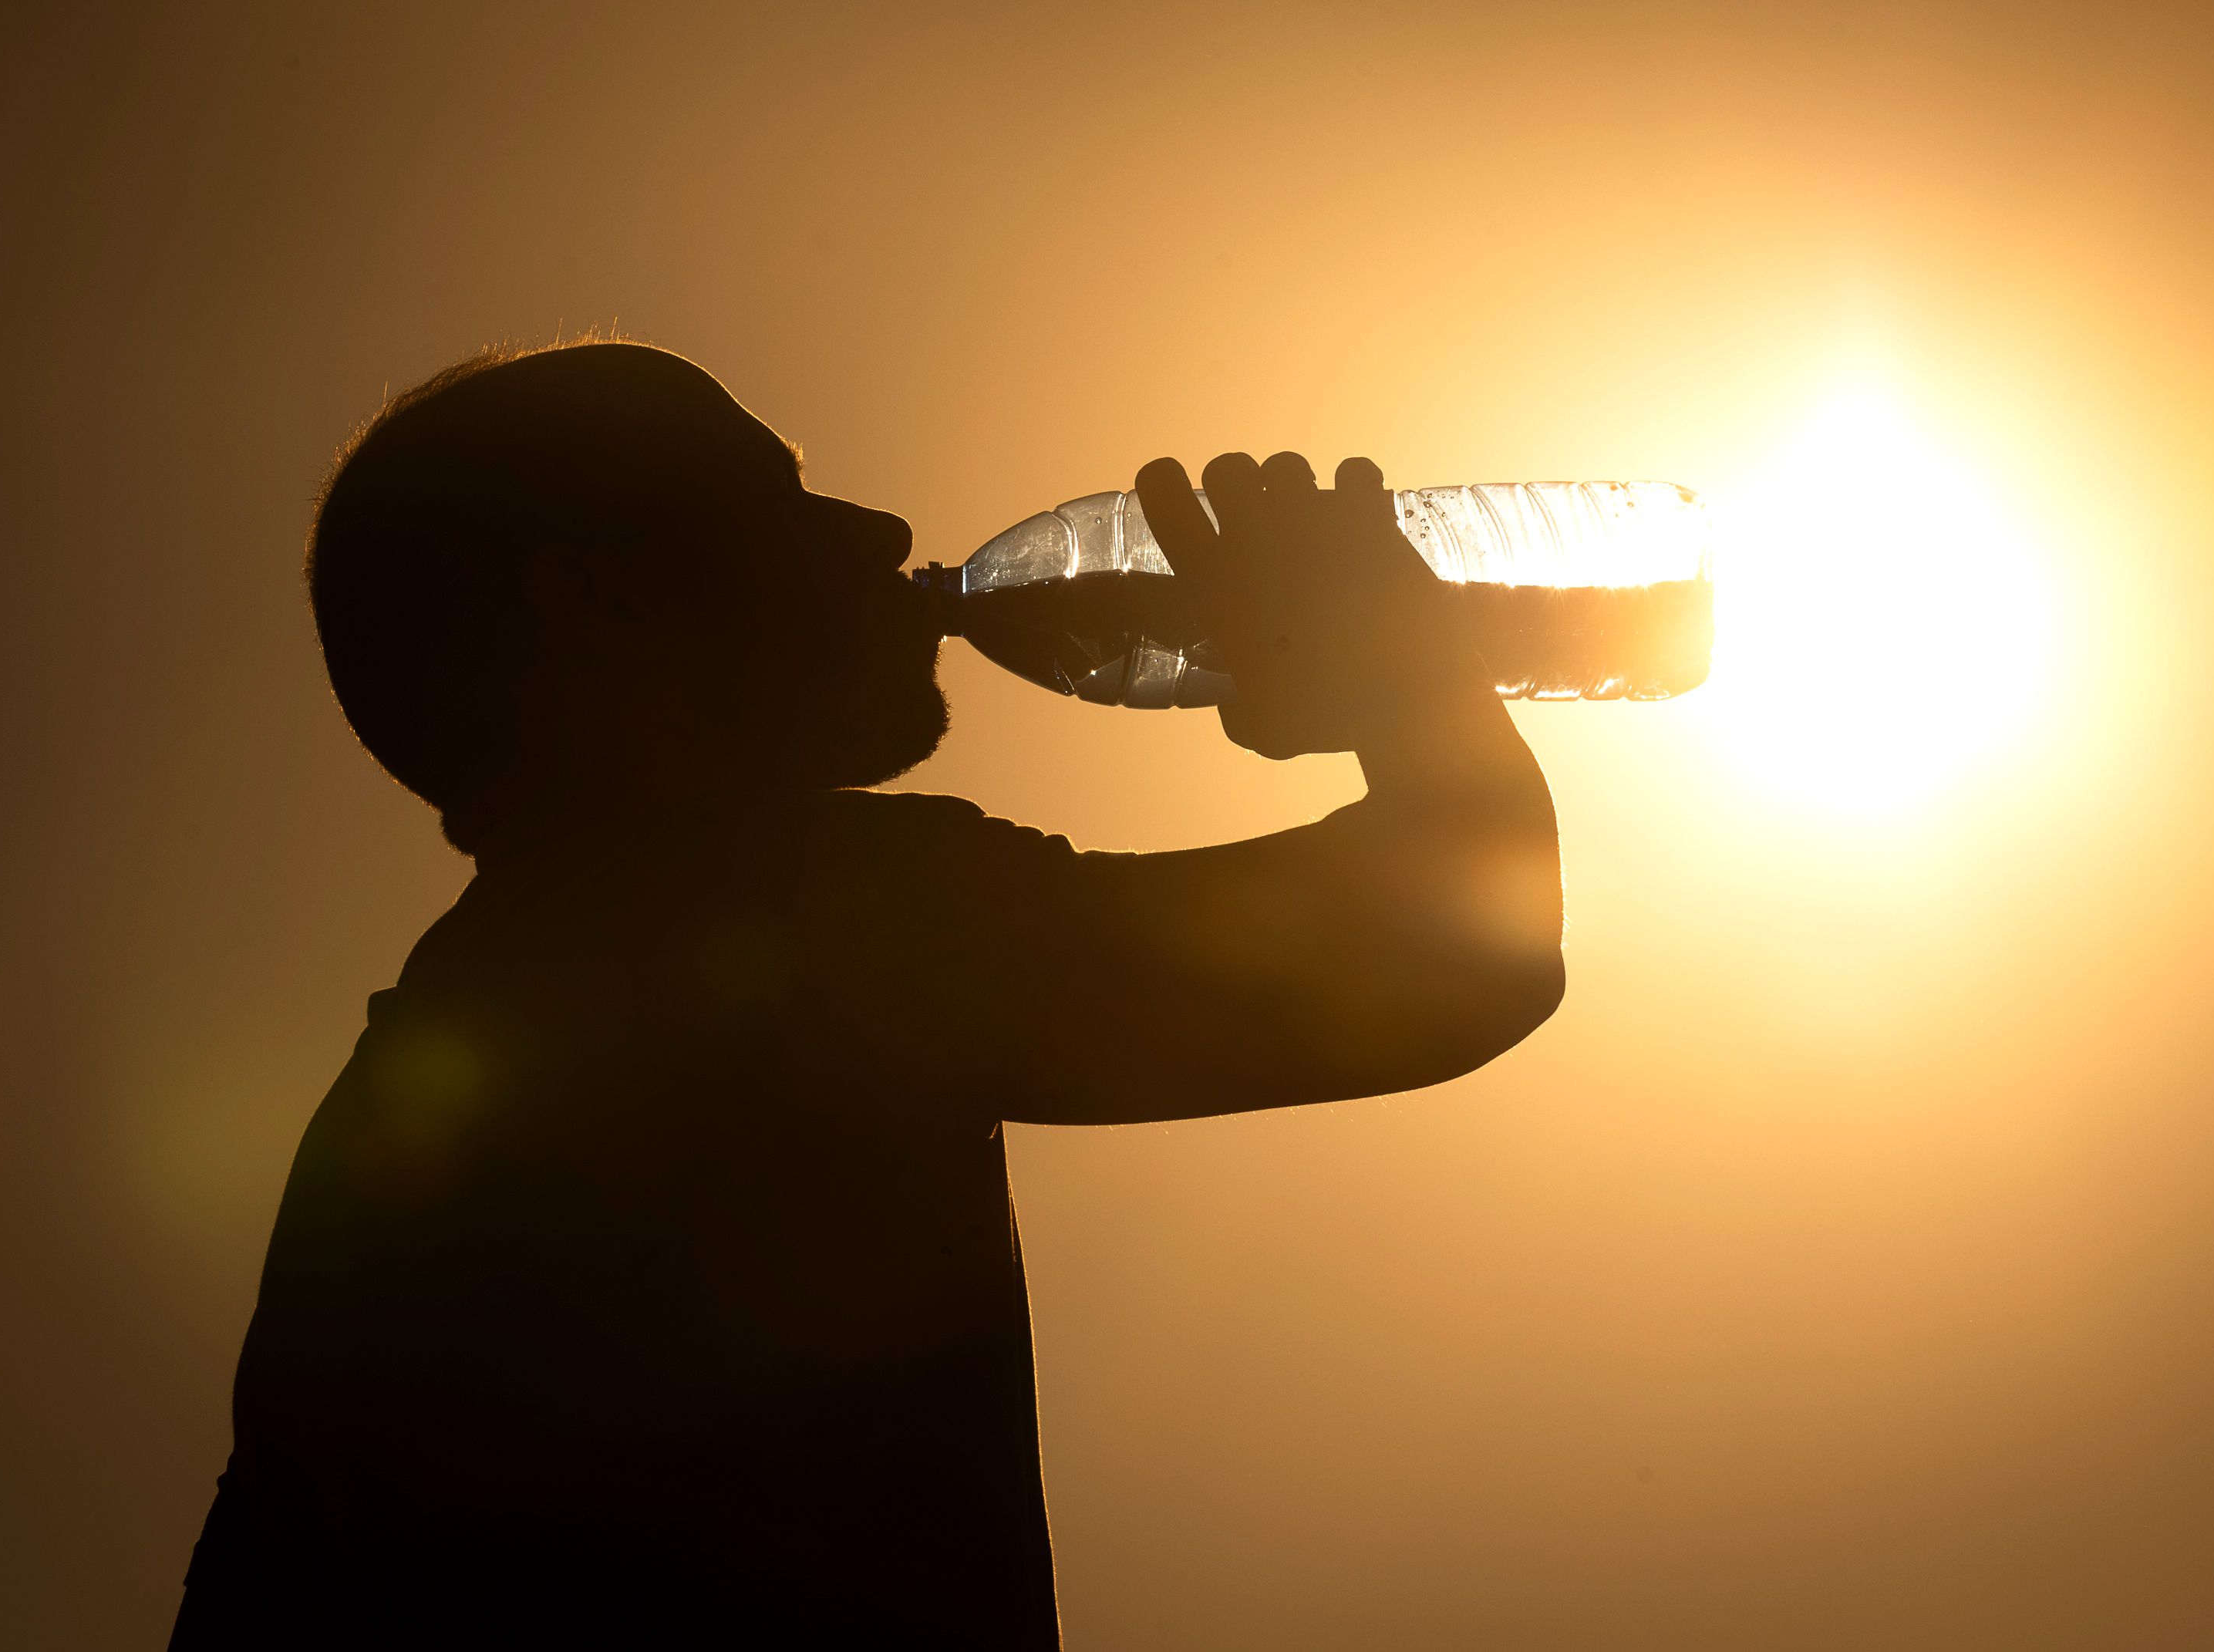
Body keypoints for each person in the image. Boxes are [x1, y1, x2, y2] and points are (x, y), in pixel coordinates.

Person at [170, 341, 1564, 1648]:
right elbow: (1454, 957)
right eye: (781, 497)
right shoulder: (778, 913)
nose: (883, 532)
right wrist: (1402, 663)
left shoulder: (389, 1129)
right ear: (606, 600)